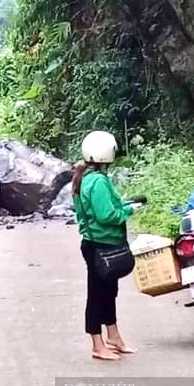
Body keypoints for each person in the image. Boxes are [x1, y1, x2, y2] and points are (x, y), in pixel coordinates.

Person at [73, 131, 141, 361]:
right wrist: (129, 210)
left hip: (100, 243)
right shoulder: (98, 181)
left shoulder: (86, 177)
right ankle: (97, 344)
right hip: (100, 245)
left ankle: (113, 337)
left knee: (109, 292)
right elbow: (106, 215)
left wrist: (125, 204)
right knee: (97, 294)